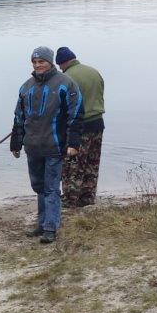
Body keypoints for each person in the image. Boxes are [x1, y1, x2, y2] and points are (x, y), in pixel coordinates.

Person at [9, 47, 84, 244]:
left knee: (51, 188)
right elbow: (19, 116)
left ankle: (51, 227)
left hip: (55, 146)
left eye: (41, 61)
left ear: (50, 62)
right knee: (39, 187)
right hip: (32, 147)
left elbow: (75, 115)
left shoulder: (66, 84)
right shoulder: (26, 87)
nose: (37, 65)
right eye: (34, 62)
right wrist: (16, 143)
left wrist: (73, 143)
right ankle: (41, 223)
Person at [56, 47, 105, 208]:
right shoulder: (94, 72)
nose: (60, 69)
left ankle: (70, 199)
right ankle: (88, 197)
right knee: (92, 162)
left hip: (79, 126)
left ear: (62, 63)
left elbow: (62, 106)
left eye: (60, 66)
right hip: (98, 123)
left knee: (73, 164)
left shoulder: (66, 78)